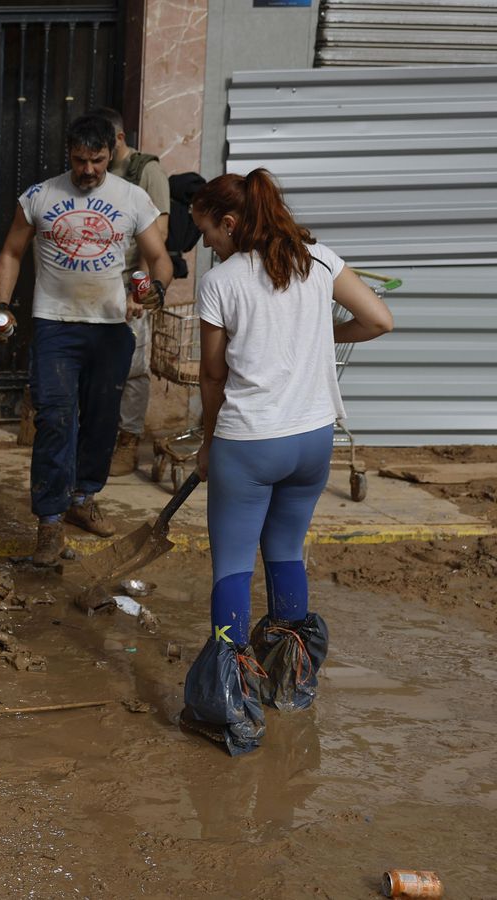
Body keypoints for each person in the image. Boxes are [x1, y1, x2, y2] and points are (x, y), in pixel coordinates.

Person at [181, 169, 392, 755]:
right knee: (284, 551)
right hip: (313, 439)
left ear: (229, 223)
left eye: (206, 232)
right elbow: (380, 319)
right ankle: (289, 682)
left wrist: (208, 443)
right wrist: (324, 337)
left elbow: (212, 374)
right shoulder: (318, 259)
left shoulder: (222, 281)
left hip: (250, 442)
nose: (206, 245)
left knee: (231, 566)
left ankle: (230, 706)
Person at [0, 113, 173, 567]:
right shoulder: (40, 196)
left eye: (97, 160)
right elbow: (11, 252)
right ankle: (49, 523)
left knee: (101, 420)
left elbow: (159, 257)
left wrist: (155, 289)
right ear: (68, 154)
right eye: (79, 160)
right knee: (55, 419)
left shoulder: (132, 197)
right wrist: (2, 304)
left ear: (111, 153)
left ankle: (83, 497)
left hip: (111, 328)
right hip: (55, 324)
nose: (88, 169)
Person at [95, 108, 171, 477]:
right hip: (97, 285)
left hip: (130, 285)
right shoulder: (98, 170)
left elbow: (158, 238)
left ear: (119, 139)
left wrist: (138, 291)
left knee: (134, 368)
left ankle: (128, 441)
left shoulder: (147, 171)